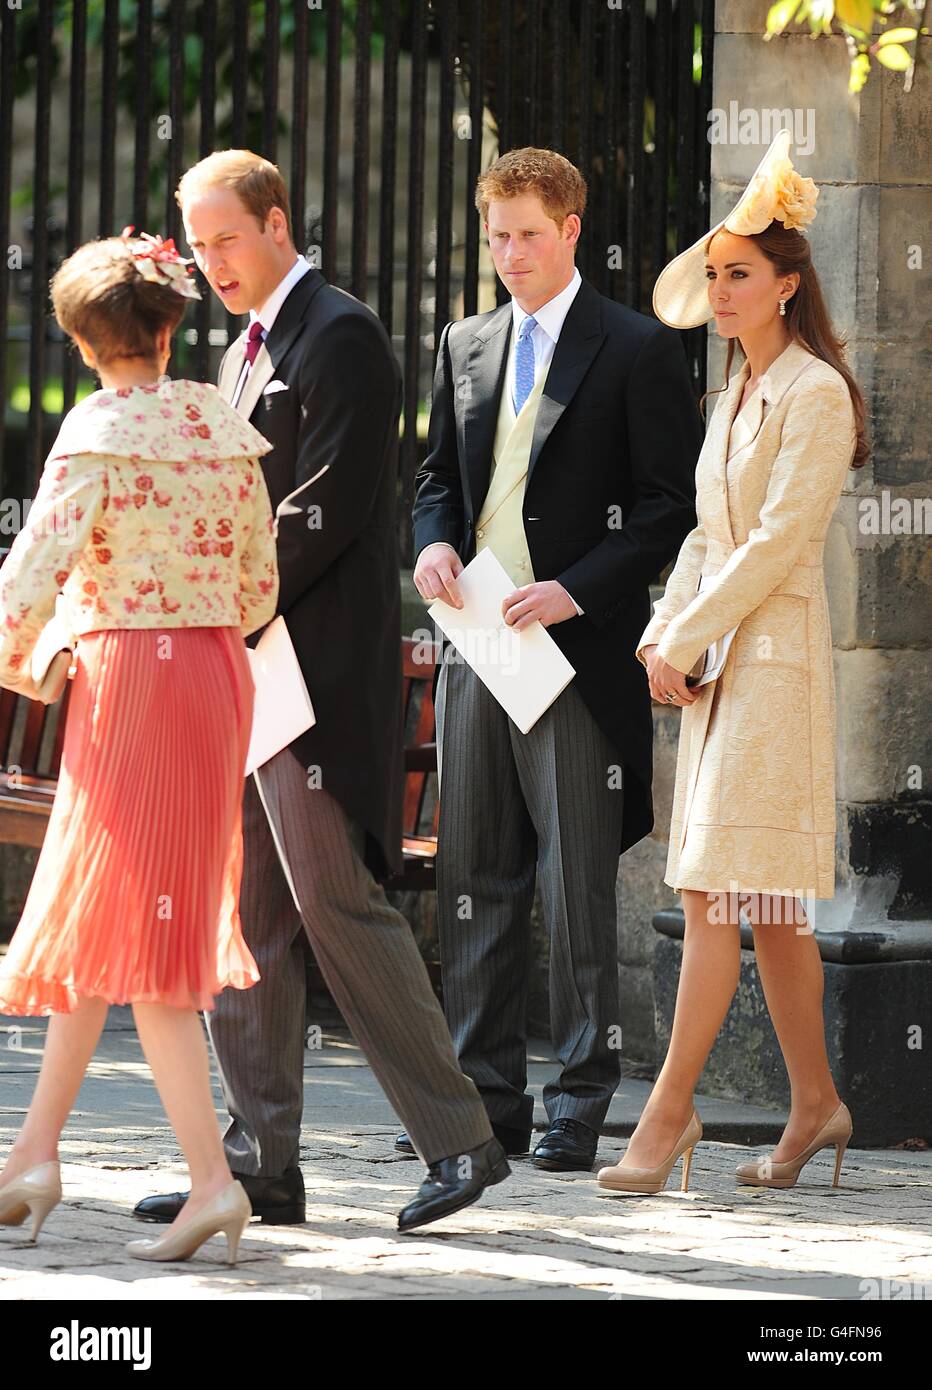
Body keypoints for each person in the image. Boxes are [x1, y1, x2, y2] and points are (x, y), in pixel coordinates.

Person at [133, 150, 508, 1236]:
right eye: (197, 248)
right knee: (246, 915)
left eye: (228, 240)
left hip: (311, 673)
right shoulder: (246, 343)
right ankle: (259, 1163)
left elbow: (323, 509)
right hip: (252, 669)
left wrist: (212, 593)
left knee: (336, 903)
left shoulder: (339, 332)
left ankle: (462, 1137)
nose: (212, 264)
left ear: (278, 221)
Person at [410, 147, 701, 1173]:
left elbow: (670, 505)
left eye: (527, 234)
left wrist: (577, 587)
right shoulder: (465, 340)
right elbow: (437, 478)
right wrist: (432, 542)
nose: (509, 255)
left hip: (572, 653)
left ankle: (580, 1098)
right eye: (496, 236)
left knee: (575, 883)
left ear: (571, 229)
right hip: (475, 647)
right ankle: (483, 1100)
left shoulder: (634, 346)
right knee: (473, 877)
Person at [0, 229, 280, 1264]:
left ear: (82, 339)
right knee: (110, 915)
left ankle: (213, 1182)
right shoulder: (218, 420)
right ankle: (32, 1155)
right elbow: (258, 587)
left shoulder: (96, 428)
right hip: (211, 675)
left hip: (132, 680)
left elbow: (31, 572)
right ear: (171, 324)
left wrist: (35, 647)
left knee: (149, 939)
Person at [597, 130, 867, 1197]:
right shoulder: (728, 397)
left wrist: (684, 634)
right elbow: (708, 535)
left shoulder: (813, 393)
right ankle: (815, 1104)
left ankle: (667, 1113)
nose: (717, 290)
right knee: (767, 907)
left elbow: (775, 543)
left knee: (719, 889)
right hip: (723, 663)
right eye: (710, 274)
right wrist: (666, 624)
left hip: (776, 668)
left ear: (785, 286)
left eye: (736, 274)